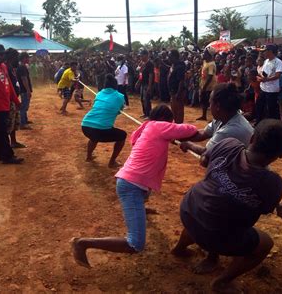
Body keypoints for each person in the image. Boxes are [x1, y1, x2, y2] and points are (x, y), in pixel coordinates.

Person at [172, 119, 282, 293]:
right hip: (215, 230)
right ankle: (222, 281)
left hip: (189, 209)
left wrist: (192, 147)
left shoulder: (228, 144)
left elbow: (205, 158)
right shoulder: (272, 183)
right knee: (265, 243)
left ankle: (180, 248)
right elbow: (265, 209)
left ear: (251, 139)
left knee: (212, 207)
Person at [72, 105, 198, 267]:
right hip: (131, 186)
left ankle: (141, 207)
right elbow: (189, 129)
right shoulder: (159, 127)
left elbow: (135, 139)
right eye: (170, 122)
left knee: (145, 187)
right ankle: (82, 243)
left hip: (132, 182)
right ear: (166, 121)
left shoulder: (146, 127)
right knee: (135, 244)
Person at [179, 83, 254, 157]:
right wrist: (178, 136)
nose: (209, 106)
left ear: (217, 106)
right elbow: (204, 133)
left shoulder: (229, 130)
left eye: (210, 103)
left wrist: (188, 144)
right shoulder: (225, 116)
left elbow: (206, 153)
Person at [81, 74, 126, 168]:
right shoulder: (120, 96)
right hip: (100, 130)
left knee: (94, 137)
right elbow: (119, 110)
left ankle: (88, 157)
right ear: (115, 85)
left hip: (85, 126)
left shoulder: (99, 94)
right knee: (122, 135)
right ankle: (112, 162)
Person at [256, 44, 282, 121]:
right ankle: (258, 122)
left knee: (272, 109)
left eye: (265, 51)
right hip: (263, 88)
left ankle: (274, 125)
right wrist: (261, 76)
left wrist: (266, 79)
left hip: (272, 90)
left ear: (270, 51)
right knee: (259, 106)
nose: (263, 53)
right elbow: (263, 72)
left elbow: (278, 75)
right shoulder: (266, 61)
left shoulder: (278, 62)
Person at [168, 49, 186, 123]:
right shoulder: (174, 65)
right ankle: (176, 124)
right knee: (174, 110)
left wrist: (178, 93)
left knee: (178, 111)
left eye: (170, 56)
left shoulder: (180, 66)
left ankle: (179, 126)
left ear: (174, 57)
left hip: (177, 92)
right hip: (173, 91)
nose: (168, 58)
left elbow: (181, 81)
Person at [197, 49, 217, 121]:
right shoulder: (205, 62)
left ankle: (214, 118)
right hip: (204, 84)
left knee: (210, 102)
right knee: (204, 101)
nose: (203, 55)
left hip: (210, 86)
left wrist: (205, 87)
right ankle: (204, 116)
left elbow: (210, 76)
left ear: (209, 55)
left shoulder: (211, 64)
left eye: (205, 54)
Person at [17, 52, 33, 128]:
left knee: (25, 106)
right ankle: (22, 123)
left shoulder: (22, 66)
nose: (29, 59)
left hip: (23, 89)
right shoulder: (22, 67)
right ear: (24, 58)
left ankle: (24, 120)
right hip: (24, 90)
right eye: (27, 57)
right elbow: (24, 79)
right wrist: (28, 90)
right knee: (24, 106)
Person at [136, 50, 154, 119]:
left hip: (147, 83)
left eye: (142, 55)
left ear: (146, 55)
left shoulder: (150, 64)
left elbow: (151, 75)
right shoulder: (143, 63)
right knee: (142, 99)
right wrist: (138, 81)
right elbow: (141, 74)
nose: (141, 57)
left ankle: (149, 114)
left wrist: (149, 86)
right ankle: (145, 113)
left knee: (146, 99)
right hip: (143, 83)